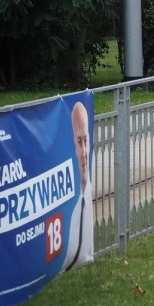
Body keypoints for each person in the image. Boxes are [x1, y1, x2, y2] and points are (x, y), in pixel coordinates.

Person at [62, 100, 94, 271]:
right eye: (79, 142)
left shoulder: (86, 195)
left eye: (86, 141)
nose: (84, 154)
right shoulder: (70, 208)